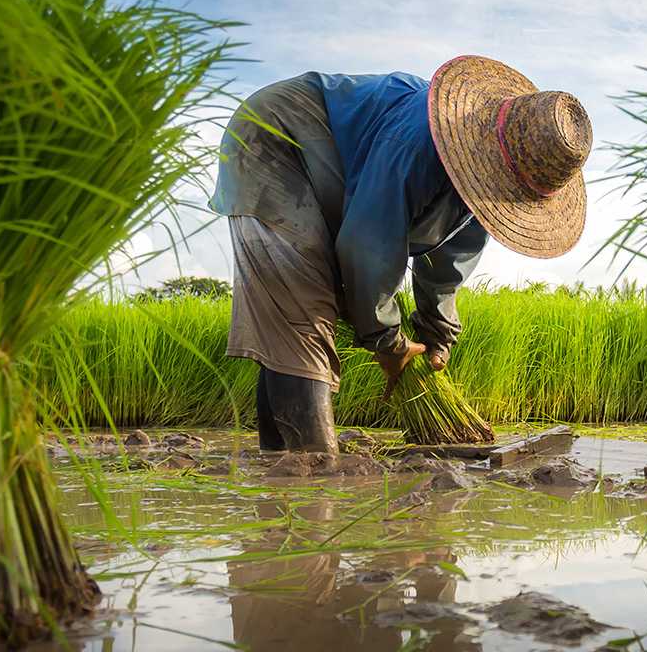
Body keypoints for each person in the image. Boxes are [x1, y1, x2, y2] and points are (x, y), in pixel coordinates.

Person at [210, 55, 592, 453]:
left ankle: (279, 465)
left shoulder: (485, 192)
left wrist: (436, 337)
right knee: (303, 310)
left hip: (330, 177)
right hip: (275, 138)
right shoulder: (415, 140)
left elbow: (448, 263)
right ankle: (314, 473)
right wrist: (388, 342)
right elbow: (367, 245)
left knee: (296, 322)